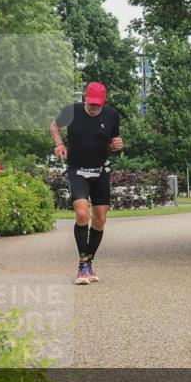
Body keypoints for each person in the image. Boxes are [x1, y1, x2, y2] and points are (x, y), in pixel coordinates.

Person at [51, 82, 123, 285]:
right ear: (85, 97)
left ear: (104, 102)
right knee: (82, 213)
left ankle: (89, 262)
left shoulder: (111, 115)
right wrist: (59, 144)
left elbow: (112, 142)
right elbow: (54, 125)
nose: (94, 108)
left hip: (101, 171)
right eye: (91, 104)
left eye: (98, 105)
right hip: (78, 170)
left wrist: (117, 145)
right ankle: (83, 263)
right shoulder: (71, 111)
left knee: (100, 219)